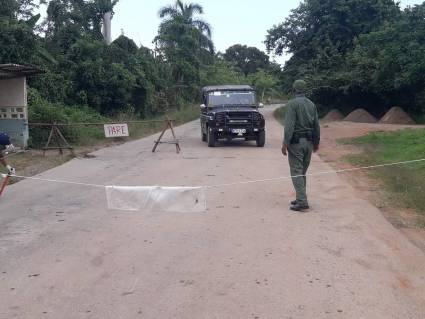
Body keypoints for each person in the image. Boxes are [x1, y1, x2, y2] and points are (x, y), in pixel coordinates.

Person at [281, 80, 320, 212]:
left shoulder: (292, 104)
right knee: (302, 172)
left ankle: (302, 202)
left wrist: (285, 143)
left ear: (294, 90)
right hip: (309, 142)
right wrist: (316, 142)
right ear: (305, 90)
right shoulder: (311, 104)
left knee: (297, 172)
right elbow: (316, 126)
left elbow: (289, 126)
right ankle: (300, 197)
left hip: (296, 143)